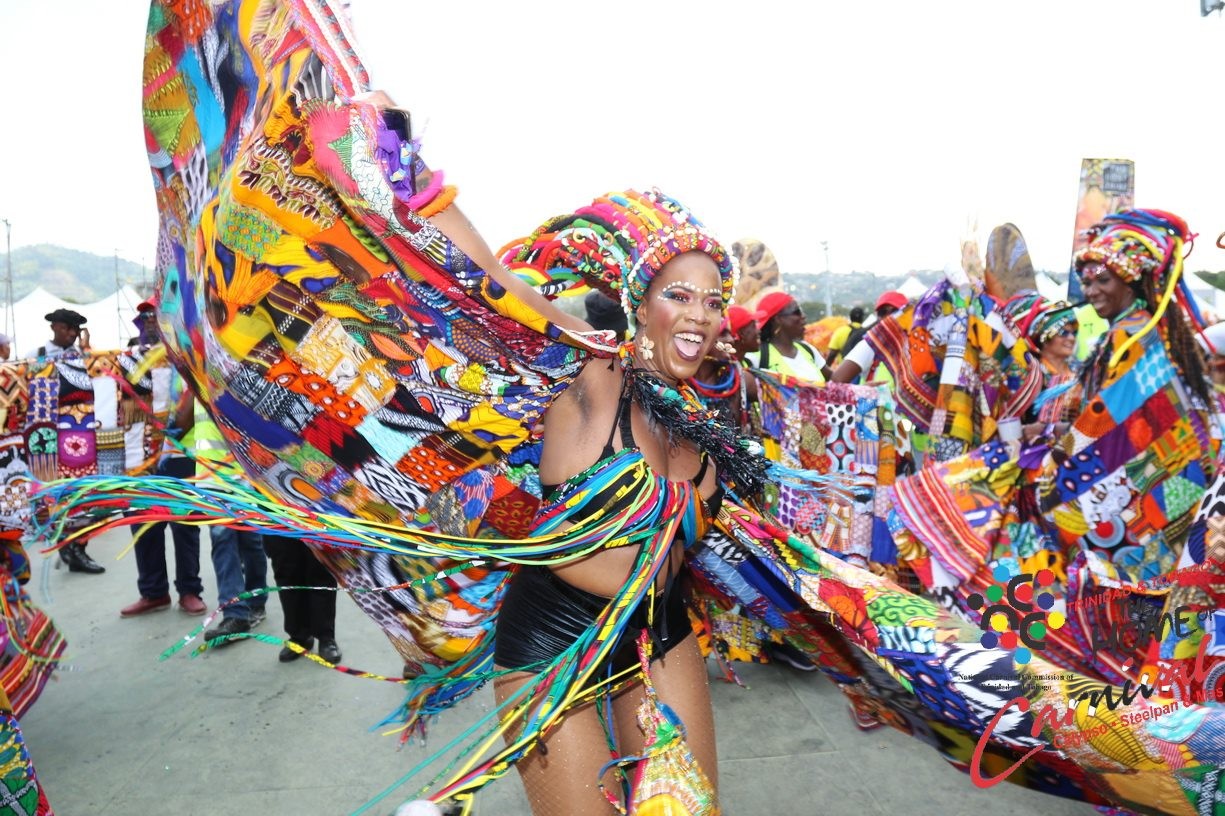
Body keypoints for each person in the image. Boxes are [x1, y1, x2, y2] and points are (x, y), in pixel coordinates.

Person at [493, 190, 743, 813]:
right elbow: (488, 279)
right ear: (641, 305)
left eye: (713, 302)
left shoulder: (701, 421)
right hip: (553, 636)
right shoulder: (592, 374)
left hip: (658, 630)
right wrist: (403, 173)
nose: (699, 314)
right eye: (679, 295)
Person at [119, 387, 206, 617]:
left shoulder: (180, 363)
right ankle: (154, 592)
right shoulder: (124, 366)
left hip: (179, 451)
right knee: (143, 523)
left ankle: (190, 590)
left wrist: (173, 431)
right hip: (137, 452)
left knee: (184, 524)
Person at [195, 404, 269, 645]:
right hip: (210, 476)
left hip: (242, 474)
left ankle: (256, 600)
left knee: (251, 542)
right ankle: (235, 614)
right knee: (222, 542)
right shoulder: (189, 383)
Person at [265, 536, 340, 663]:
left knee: (320, 568)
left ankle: (326, 637)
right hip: (279, 526)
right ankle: (299, 636)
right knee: (286, 570)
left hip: (315, 525)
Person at [746, 291, 832, 382]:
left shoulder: (807, 349)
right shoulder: (756, 358)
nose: (803, 316)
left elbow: (835, 382)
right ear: (777, 319)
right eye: (797, 312)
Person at [24, 308, 89, 361]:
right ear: (53, 327)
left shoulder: (82, 354)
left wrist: (85, 350)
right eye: (66, 328)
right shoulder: (37, 355)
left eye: (76, 329)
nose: (73, 333)